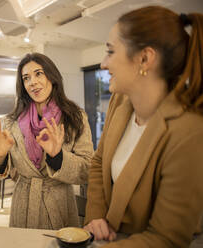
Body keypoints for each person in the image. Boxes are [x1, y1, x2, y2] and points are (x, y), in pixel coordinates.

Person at [84, 6, 203, 248]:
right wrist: (96, 216)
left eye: (110, 51)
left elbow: (165, 238)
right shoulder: (119, 102)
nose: (104, 63)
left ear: (145, 58)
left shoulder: (188, 132)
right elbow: (98, 163)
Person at [0, 53, 94, 229]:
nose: (32, 82)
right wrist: (0, 157)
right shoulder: (12, 121)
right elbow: (4, 171)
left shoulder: (75, 117)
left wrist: (57, 157)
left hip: (59, 205)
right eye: (26, 78)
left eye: (38, 74)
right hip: (23, 206)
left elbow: (87, 169)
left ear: (52, 76)